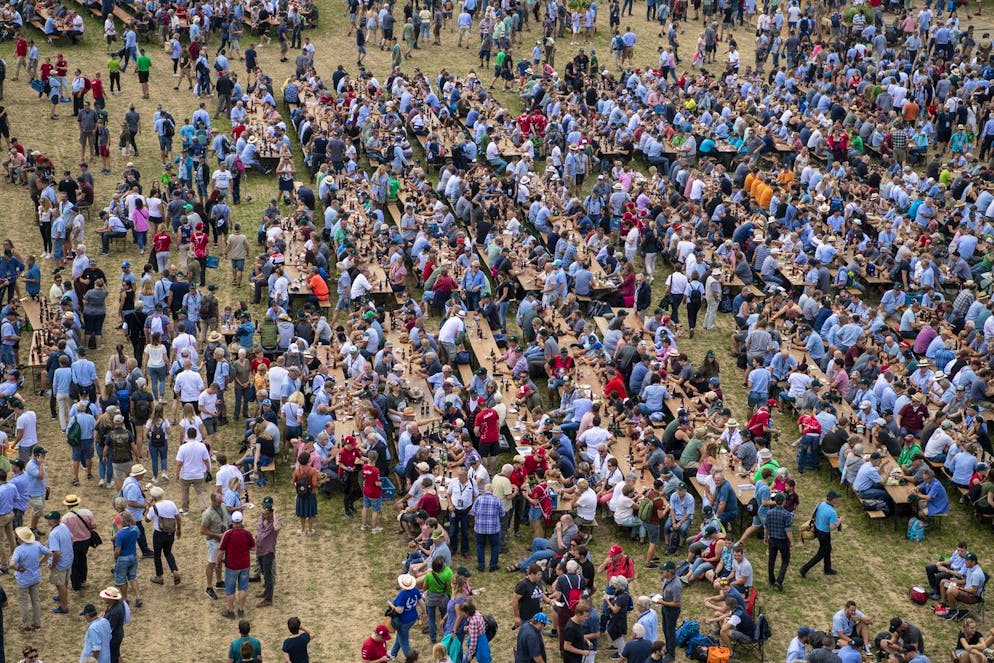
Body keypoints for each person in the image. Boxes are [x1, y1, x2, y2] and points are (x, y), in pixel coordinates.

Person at [10, 526, 49, 632]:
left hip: (23, 581)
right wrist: (41, 562)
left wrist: (18, 569)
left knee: (24, 603)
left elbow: (11, 564)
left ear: (21, 538)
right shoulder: (37, 544)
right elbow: (49, 553)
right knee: (36, 601)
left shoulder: (19, 550)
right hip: (35, 578)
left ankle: (26, 625)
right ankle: (37, 624)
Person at [219, 510, 255, 619]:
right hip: (245, 565)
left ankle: (230, 611)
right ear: (242, 521)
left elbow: (221, 551)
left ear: (232, 521)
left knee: (230, 590)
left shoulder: (228, 534)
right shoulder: (247, 533)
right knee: (243, 588)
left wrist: (218, 562)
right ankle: (241, 609)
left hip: (232, 566)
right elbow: (253, 547)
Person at [799, 490, 842, 578]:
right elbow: (832, 527)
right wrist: (839, 521)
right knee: (821, 553)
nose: (838, 499)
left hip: (817, 529)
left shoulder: (821, 504)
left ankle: (827, 568)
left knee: (828, 549)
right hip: (824, 533)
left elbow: (814, 514)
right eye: (837, 498)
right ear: (832, 499)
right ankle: (804, 569)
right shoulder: (832, 512)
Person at [145, 486, 181, 587]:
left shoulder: (153, 508)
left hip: (159, 534)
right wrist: (179, 529)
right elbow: (178, 518)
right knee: (168, 552)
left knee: (157, 554)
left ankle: (159, 576)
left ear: (153, 497)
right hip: (170, 532)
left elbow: (147, 520)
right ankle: (174, 570)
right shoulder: (171, 503)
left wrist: (148, 508)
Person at [388, 573, 424, 659]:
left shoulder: (402, 595)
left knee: (404, 642)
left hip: (403, 621)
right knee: (400, 635)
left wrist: (391, 604)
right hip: (413, 618)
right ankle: (393, 654)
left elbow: (399, 611)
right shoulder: (416, 590)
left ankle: (411, 659)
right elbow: (421, 602)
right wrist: (425, 613)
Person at [42, 510, 72, 615]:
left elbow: (57, 553)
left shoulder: (53, 534)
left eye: (48, 519)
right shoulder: (64, 526)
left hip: (60, 563)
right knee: (65, 581)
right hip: (68, 559)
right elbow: (71, 539)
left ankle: (64, 607)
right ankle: (61, 596)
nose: (47, 521)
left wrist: (53, 564)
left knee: (60, 584)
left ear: (53, 521)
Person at [254, 496, 281, 608]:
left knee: (268, 575)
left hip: (268, 552)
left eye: (266, 510)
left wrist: (274, 514)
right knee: (264, 573)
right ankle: (266, 592)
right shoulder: (261, 518)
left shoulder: (275, 520)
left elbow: (277, 528)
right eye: (263, 508)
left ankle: (268, 599)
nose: (263, 512)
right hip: (259, 550)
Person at [201, 491, 228, 600]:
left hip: (223, 540)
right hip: (213, 542)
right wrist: (217, 535)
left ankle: (219, 581)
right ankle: (209, 587)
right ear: (212, 501)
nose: (220, 503)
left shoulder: (223, 506)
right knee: (212, 563)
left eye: (221, 501)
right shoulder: (207, 514)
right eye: (218, 502)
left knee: (220, 561)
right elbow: (203, 531)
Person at [658, 560, 682, 663]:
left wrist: (663, 602)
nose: (662, 572)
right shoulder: (667, 579)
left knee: (670, 632)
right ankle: (668, 647)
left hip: (672, 611)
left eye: (664, 570)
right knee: (665, 629)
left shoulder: (676, 585)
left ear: (669, 572)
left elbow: (677, 603)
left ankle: (671, 654)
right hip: (665, 608)